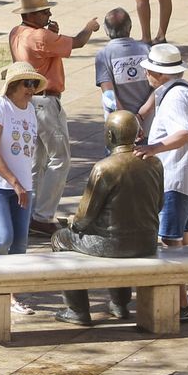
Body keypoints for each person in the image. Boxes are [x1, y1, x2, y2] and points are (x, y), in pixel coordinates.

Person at [51, 110, 164, 326]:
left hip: (111, 243)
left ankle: (77, 309)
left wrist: (72, 222)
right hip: (146, 241)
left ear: (110, 136)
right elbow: (159, 204)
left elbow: (85, 217)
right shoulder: (154, 162)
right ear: (137, 134)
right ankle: (120, 304)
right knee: (114, 236)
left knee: (60, 238)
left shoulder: (104, 168)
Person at [8, 0, 99, 236]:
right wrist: (89, 27)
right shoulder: (41, 36)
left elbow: (42, 52)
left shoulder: (17, 32)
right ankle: (43, 215)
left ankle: (30, 212)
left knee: (36, 160)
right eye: (45, 11)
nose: (49, 14)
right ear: (33, 15)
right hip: (45, 103)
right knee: (60, 158)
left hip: (27, 102)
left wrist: (52, 34)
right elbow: (78, 41)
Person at [135, 44, 188, 320]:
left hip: (176, 178)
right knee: (186, 235)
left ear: (158, 73)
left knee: (171, 240)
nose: (145, 72)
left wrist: (152, 148)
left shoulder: (175, 99)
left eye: (149, 69)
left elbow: (184, 133)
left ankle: (180, 305)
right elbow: (154, 102)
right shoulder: (183, 88)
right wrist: (141, 116)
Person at [0, 62, 45, 316]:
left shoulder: (31, 109)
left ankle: (12, 295)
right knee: (3, 237)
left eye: (34, 84)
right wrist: (13, 182)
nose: (31, 89)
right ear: (12, 85)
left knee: (20, 244)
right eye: (27, 83)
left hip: (23, 186)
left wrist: (23, 184)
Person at [94, 7, 152, 121]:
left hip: (119, 124)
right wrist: (141, 116)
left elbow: (109, 94)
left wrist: (127, 121)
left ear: (106, 30)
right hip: (148, 122)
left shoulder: (103, 55)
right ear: (130, 27)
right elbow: (158, 87)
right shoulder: (147, 50)